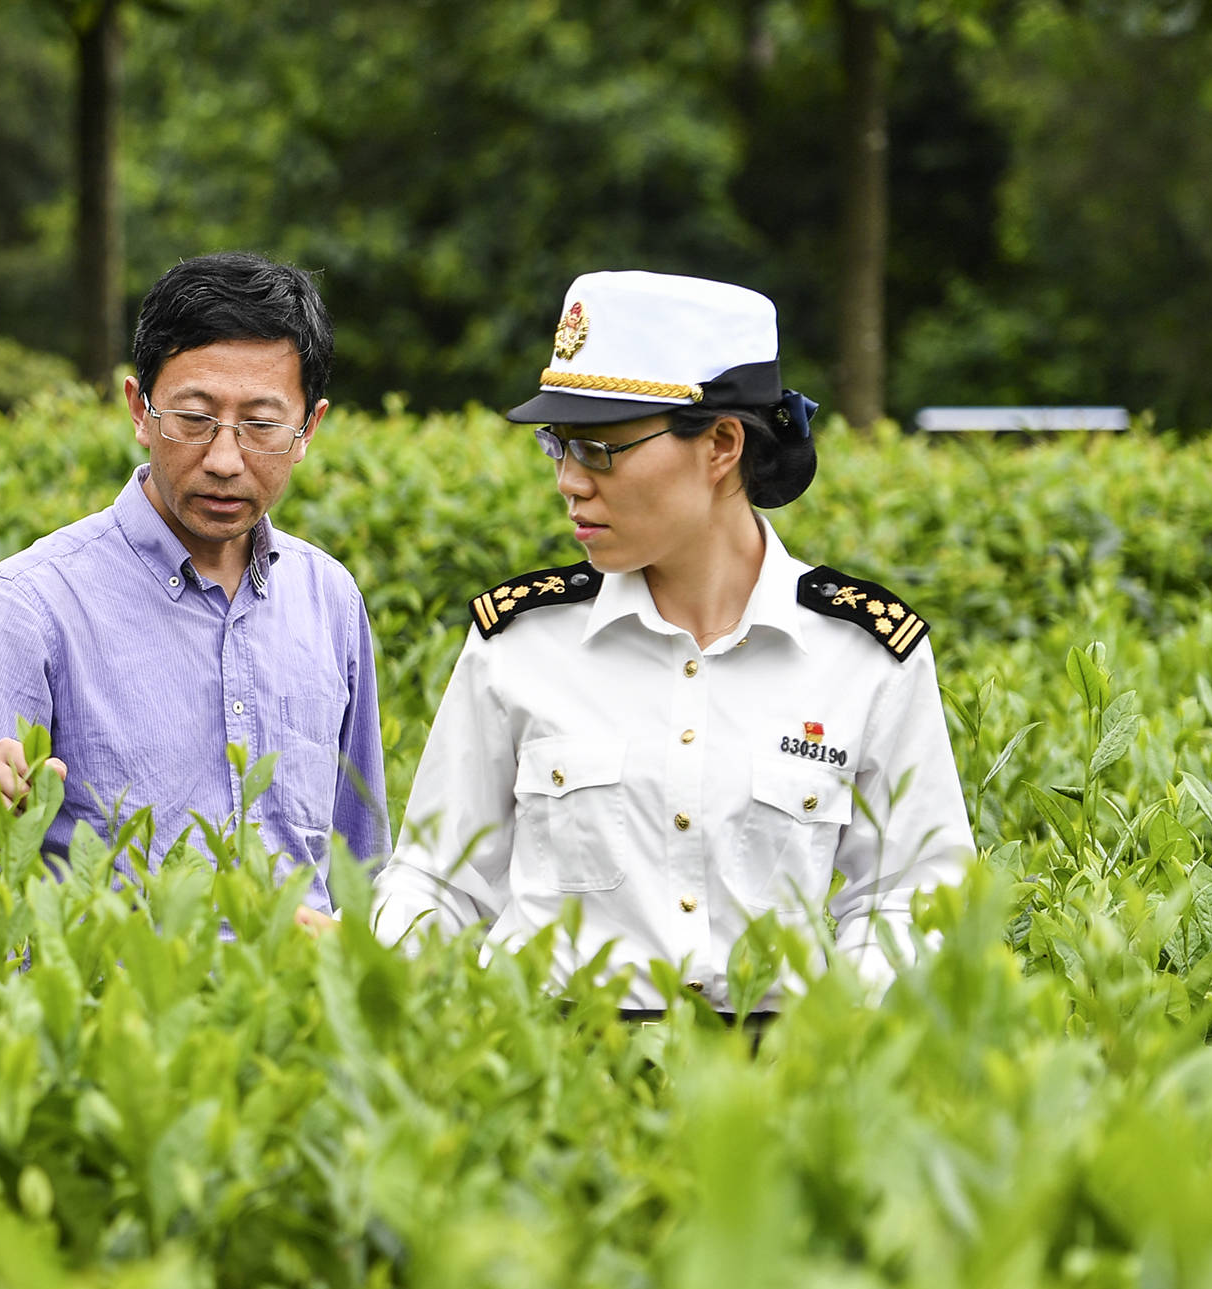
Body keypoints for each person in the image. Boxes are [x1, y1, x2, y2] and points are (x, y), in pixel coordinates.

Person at [372, 270, 974, 1013]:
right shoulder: (522, 641)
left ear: (721, 444)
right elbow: (438, 878)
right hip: (553, 1072)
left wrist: (834, 1047)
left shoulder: (863, 653)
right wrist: (371, 961)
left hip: (778, 1080)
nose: (567, 481)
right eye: (557, 446)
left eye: (599, 450)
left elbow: (911, 893)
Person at [0, 253, 388, 906]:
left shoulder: (329, 600)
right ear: (140, 411)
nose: (225, 459)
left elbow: (361, 872)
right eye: (194, 418)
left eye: (261, 424)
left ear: (308, 428)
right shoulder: (28, 607)